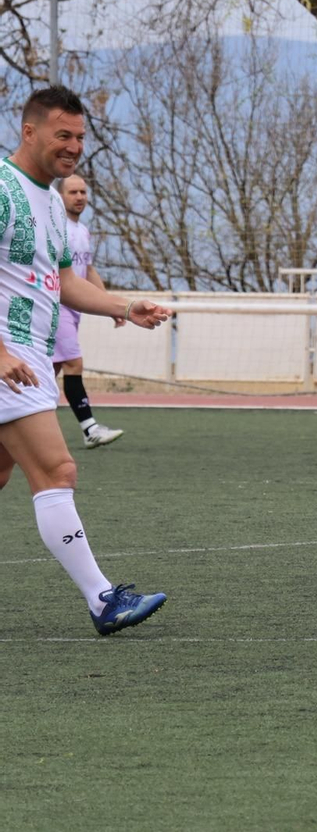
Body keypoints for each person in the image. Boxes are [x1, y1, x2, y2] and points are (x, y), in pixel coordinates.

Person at [2, 86, 172, 634]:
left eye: (79, 137)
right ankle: (103, 600)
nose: (74, 146)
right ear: (29, 132)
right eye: (62, 135)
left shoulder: (53, 202)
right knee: (58, 470)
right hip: (9, 359)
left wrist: (125, 305)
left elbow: (67, 283)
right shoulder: (2, 189)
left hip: (25, 356)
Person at [48, 175, 124, 448]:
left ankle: (14, 422)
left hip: (75, 310)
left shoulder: (83, 230)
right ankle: (90, 429)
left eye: (83, 192)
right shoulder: (57, 227)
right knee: (74, 363)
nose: (79, 196)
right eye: (73, 192)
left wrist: (109, 305)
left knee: (50, 370)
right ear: (60, 196)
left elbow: (88, 270)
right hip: (58, 306)